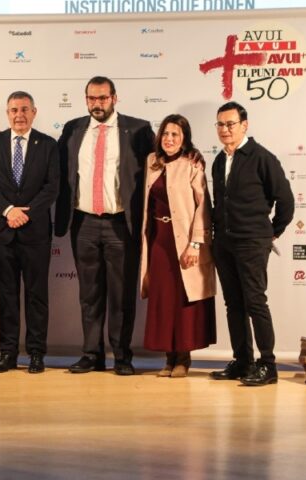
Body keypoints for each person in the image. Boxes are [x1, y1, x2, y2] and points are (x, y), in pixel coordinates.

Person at [55, 76, 155, 375]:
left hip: (121, 224)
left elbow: (157, 168)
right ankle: (92, 355)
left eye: (102, 98)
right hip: (83, 222)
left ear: (114, 98)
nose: (97, 104)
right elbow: (59, 173)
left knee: (122, 296)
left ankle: (122, 357)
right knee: (89, 294)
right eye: (91, 98)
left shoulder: (138, 129)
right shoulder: (73, 129)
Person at [209, 101, 294, 387]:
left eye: (230, 124)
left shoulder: (262, 158)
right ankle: (243, 361)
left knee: (255, 302)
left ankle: (268, 365)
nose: (225, 129)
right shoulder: (219, 160)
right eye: (220, 124)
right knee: (233, 303)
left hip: (252, 242)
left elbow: (286, 201)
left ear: (244, 125)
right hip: (224, 243)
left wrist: (271, 233)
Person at [0, 91, 59, 374]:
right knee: (6, 295)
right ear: (7, 113)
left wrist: (26, 213)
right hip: (3, 232)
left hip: (35, 232)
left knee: (37, 295)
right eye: (14, 110)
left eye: (25, 109)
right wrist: (9, 210)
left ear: (34, 112)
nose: (19, 115)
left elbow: (52, 186)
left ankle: (36, 354)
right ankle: (8, 353)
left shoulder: (48, 145)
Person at [139, 114, 216, 378]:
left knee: (184, 299)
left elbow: (203, 206)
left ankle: (183, 358)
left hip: (184, 241)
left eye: (175, 135)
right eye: (166, 133)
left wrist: (196, 243)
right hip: (158, 240)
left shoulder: (192, 163)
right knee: (163, 300)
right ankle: (168, 358)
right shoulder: (152, 161)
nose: (169, 139)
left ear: (184, 139)